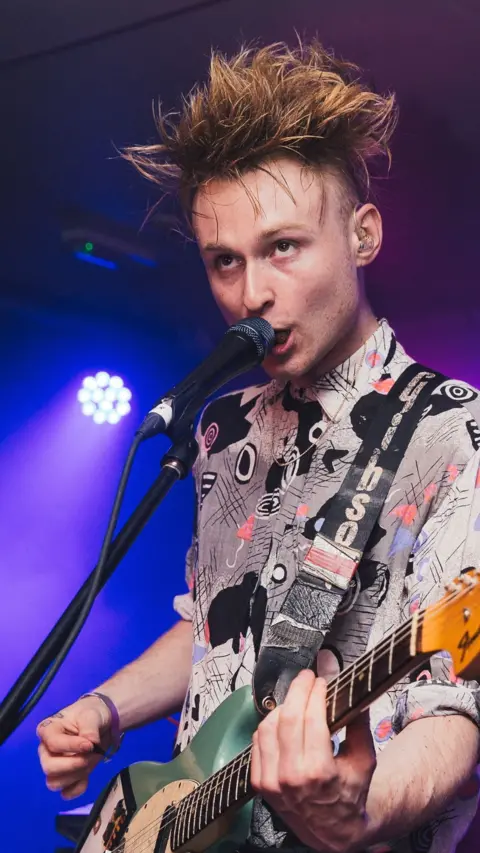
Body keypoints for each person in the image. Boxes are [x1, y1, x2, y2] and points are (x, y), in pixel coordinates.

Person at [37, 40, 480, 853]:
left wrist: (366, 811)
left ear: (364, 234)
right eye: (224, 261)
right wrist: (105, 708)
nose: (251, 295)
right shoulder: (222, 426)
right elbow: (215, 636)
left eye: (284, 246)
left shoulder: (454, 432)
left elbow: (458, 709)